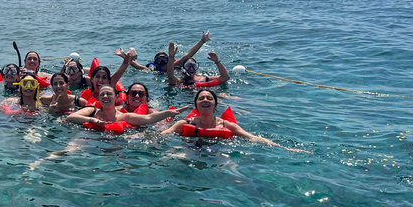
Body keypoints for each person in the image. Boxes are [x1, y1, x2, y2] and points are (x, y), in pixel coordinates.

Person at [161, 89, 308, 153]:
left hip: (218, 149)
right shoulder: (184, 124)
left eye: (209, 98)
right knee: (169, 157)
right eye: (201, 98)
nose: (205, 100)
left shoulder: (227, 125)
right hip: (190, 148)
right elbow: (164, 135)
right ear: (196, 105)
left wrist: (284, 148)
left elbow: (252, 137)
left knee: (235, 173)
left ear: (215, 105)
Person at [67, 85, 189, 128]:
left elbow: (149, 119)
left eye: (109, 94)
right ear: (98, 98)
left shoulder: (124, 116)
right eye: (102, 94)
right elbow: (70, 118)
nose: (105, 96)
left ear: (116, 98)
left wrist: (171, 112)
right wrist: (91, 119)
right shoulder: (92, 111)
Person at [125, 31, 211, 72]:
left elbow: (189, 55)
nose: (162, 63)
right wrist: (125, 56)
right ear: (156, 63)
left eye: (164, 60)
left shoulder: (174, 65)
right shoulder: (154, 70)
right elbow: (137, 66)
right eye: (160, 61)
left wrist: (202, 41)